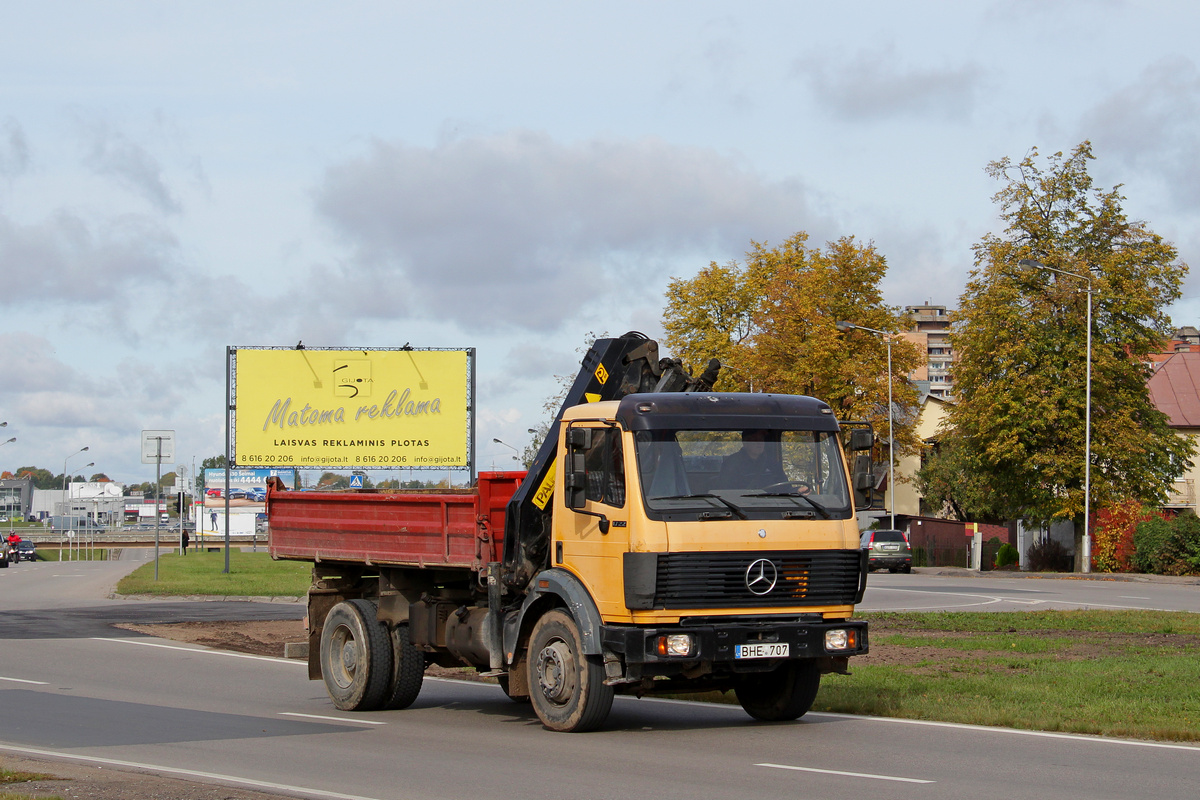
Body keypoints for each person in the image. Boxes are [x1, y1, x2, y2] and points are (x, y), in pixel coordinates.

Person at [716, 430, 788, 490]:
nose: (759, 443)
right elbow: (725, 491)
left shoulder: (772, 463)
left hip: (772, 504)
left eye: (761, 439)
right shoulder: (732, 463)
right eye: (755, 440)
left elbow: (785, 487)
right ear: (745, 442)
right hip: (741, 505)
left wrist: (797, 490)